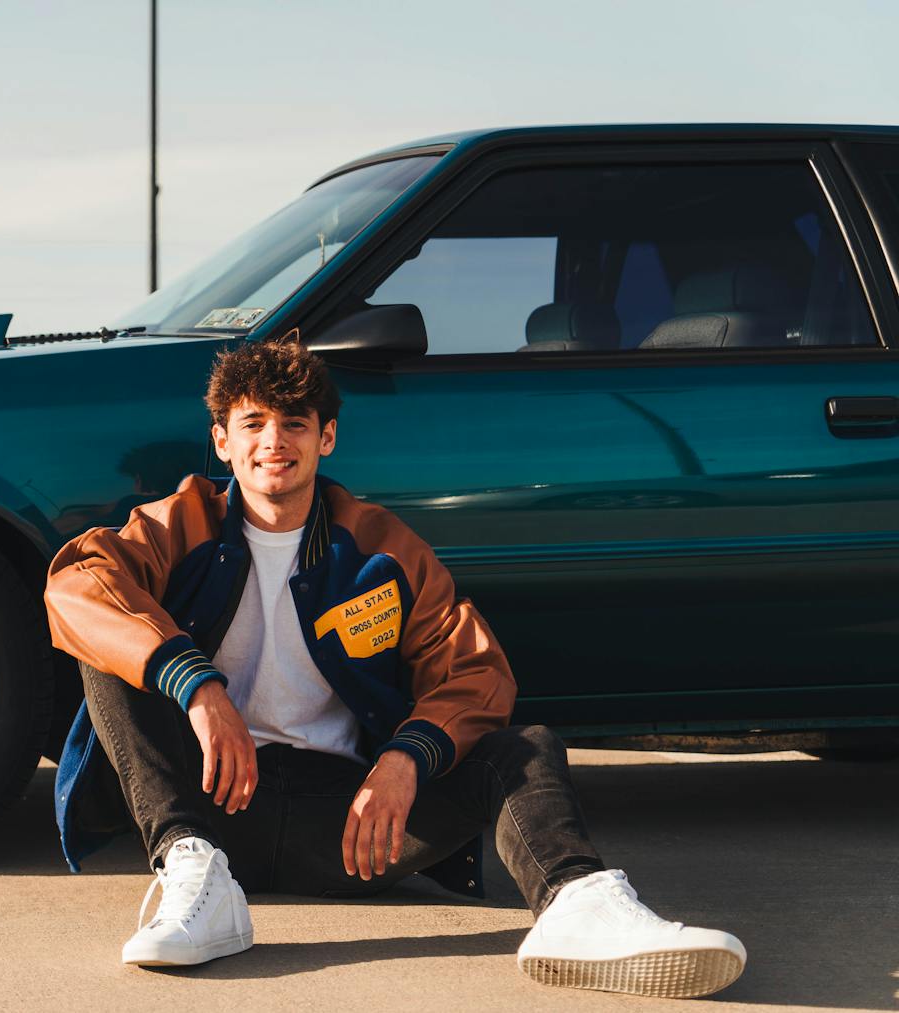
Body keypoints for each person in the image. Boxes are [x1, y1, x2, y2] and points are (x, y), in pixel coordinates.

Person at [43, 337, 746, 998]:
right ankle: (196, 878)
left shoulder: (381, 548)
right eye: (252, 423)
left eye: (294, 423)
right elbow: (78, 585)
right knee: (114, 650)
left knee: (524, 748)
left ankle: (577, 905)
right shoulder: (181, 522)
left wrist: (405, 757)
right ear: (222, 441)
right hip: (216, 808)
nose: (273, 441)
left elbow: (475, 671)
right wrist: (196, 685)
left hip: (353, 827)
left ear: (327, 437)